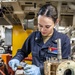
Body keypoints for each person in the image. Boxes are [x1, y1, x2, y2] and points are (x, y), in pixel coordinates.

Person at [8, 4, 71, 75]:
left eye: (47, 27)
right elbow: (23, 52)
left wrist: (40, 71)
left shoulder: (64, 40)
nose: (42, 30)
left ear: (56, 22)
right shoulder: (33, 37)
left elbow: (66, 66)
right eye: (40, 25)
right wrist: (16, 59)